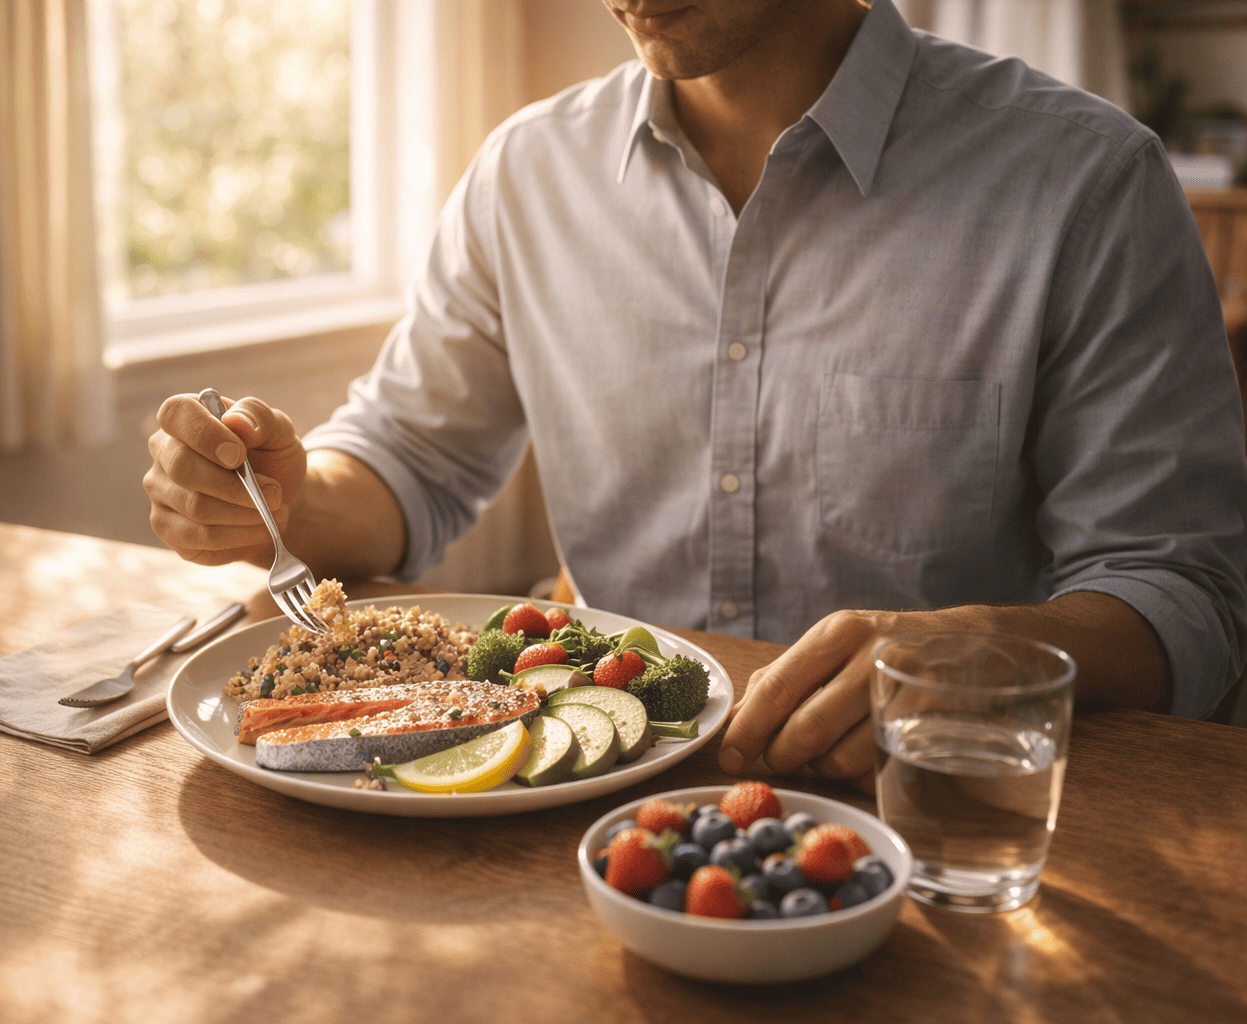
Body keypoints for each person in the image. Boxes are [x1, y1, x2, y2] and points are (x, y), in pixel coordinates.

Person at [144, 0, 1247, 787]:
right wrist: (282, 501)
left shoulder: (1085, 181)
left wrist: (996, 644)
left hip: (943, 812)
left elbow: (1187, 593)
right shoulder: (525, 176)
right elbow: (405, 457)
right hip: (578, 809)